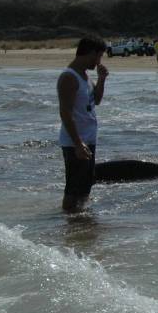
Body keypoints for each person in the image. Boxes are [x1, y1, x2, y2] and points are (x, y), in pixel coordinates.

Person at [57, 37, 109, 212]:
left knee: (85, 187)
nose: (99, 61)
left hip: (88, 140)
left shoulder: (84, 76)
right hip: (75, 143)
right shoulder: (69, 77)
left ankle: (81, 223)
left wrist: (101, 79)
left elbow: (97, 100)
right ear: (91, 53)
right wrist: (78, 143)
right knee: (73, 190)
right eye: (99, 56)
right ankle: (69, 222)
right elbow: (65, 113)